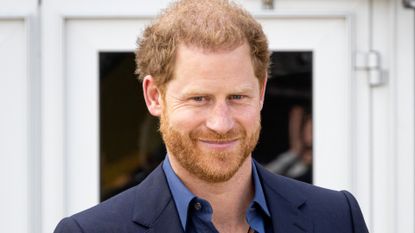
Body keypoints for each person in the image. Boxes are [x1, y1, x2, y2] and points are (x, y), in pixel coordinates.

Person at [54, 0, 369, 232]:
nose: (221, 123)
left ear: (260, 92)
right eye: (199, 99)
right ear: (154, 96)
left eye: (237, 97)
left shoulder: (337, 218)